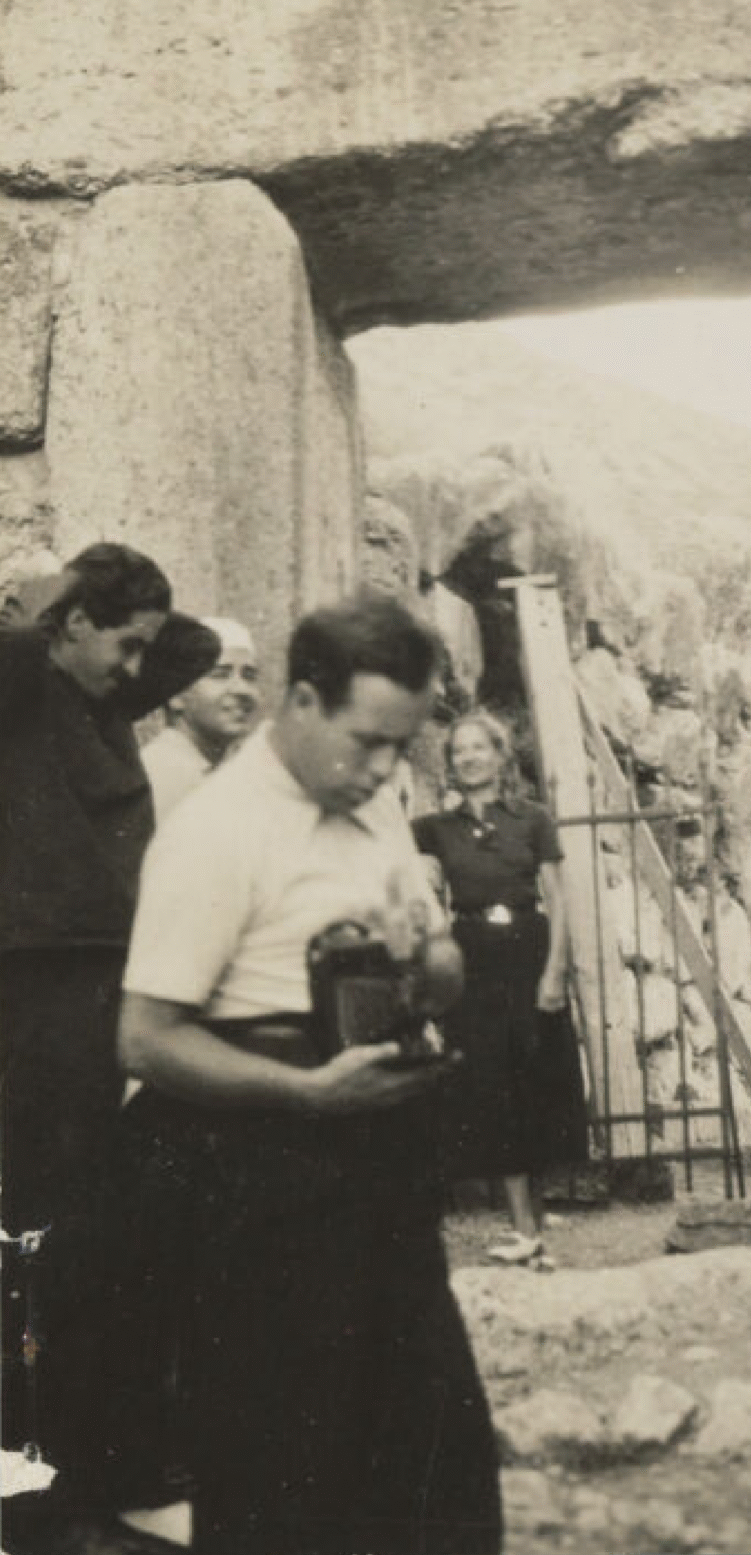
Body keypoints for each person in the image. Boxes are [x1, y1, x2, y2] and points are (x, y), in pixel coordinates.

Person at [114, 594, 502, 1555]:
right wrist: (303, 1093)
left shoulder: (376, 809)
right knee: (284, 1470)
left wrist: (430, 961)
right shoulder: (215, 832)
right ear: (301, 702)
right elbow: (146, 1041)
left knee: (431, 1460)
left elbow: (442, 971)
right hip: (262, 1185)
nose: (382, 769)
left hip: (384, 1169)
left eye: (400, 747)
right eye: (367, 741)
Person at [0, 544, 219, 1541]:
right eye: (120, 643)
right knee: (49, 1226)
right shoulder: (23, 685)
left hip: (101, 980)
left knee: (96, 1221)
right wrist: (53, 604)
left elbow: (193, 647)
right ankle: (46, 1481)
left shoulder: (104, 697)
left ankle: (91, 1466)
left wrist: (118, 622)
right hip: (37, 982)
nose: (140, 669)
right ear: (73, 624)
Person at [413, 714, 588, 1266]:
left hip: (528, 950)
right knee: (493, 1084)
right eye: (458, 751)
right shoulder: (435, 829)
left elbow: (557, 899)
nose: (468, 758)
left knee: (534, 1079)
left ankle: (531, 1223)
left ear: (499, 755)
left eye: (478, 748)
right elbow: (406, 871)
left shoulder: (533, 819)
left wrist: (555, 970)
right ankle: (523, 1228)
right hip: (472, 957)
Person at [138, 618, 260, 821]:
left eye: (249, 676)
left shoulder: (221, 772)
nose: (242, 689)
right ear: (176, 694)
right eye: (220, 675)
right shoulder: (162, 774)